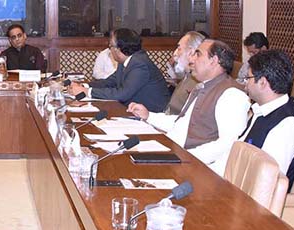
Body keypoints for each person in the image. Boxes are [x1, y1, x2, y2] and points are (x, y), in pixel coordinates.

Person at [127, 39, 250, 175]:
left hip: (199, 169)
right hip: (176, 155)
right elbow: (183, 123)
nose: (192, 59)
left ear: (214, 60)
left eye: (198, 54)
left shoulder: (231, 94)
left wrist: (186, 157)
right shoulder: (202, 86)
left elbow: (229, 144)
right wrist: (148, 116)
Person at [238, 50, 294, 190]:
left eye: (249, 78)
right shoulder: (262, 110)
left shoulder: (288, 124)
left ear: (263, 82)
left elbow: (267, 182)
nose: (245, 84)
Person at [69, 28, 170, 112]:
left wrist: (87, 92)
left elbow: (122, 94)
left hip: (151, 116)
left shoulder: (140, 64)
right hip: (132, 110)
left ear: (118, 49)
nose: (110, 49)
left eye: (111, 46)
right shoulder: (126, 61)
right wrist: (83, 86)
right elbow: (110, 82)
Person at [166, 31, 206, 115]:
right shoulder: (187, 77)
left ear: (191, 52)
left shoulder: (197, 82)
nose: (175, 54)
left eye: (179, 49)